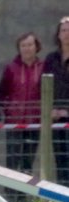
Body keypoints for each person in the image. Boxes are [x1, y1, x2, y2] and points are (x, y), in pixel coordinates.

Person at [0, 32, 43, 202]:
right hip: (14, 124)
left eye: (30, 45)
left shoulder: (44, 67)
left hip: (34, 124)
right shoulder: (11, 68)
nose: (27, 49)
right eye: (23, 45)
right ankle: (10, 197)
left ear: (36, 47)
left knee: (27, 161)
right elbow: (1, 94)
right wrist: (9, 111)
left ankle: (23, 197)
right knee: (13, 160)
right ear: (19, 48)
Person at [42, 16, 69, 187]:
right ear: (58, 35)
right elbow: (43, 86)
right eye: (64, 30)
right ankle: (65, 199)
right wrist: (49, 110)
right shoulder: (51, 59)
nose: (67, 34)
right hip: (55, 118)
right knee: (60, 158)